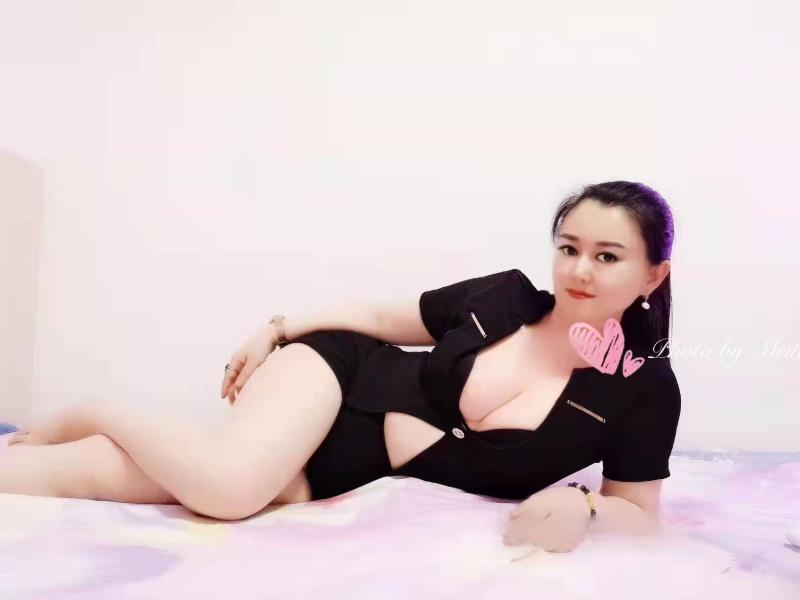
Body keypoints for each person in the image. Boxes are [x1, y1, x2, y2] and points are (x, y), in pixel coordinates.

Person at [1, 181, 679, 551]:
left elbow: (637, 510)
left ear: (654, 274)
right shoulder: (502, 298)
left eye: (607, 256)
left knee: (103, 476)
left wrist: (585, 506)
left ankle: (58, 443)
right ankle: (95, 408)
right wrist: (279, 329)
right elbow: (383, 319)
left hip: (344, 469)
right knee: (229, 488)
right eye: (569, 248)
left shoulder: (643, 389)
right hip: (338, 379)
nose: (579, 270)